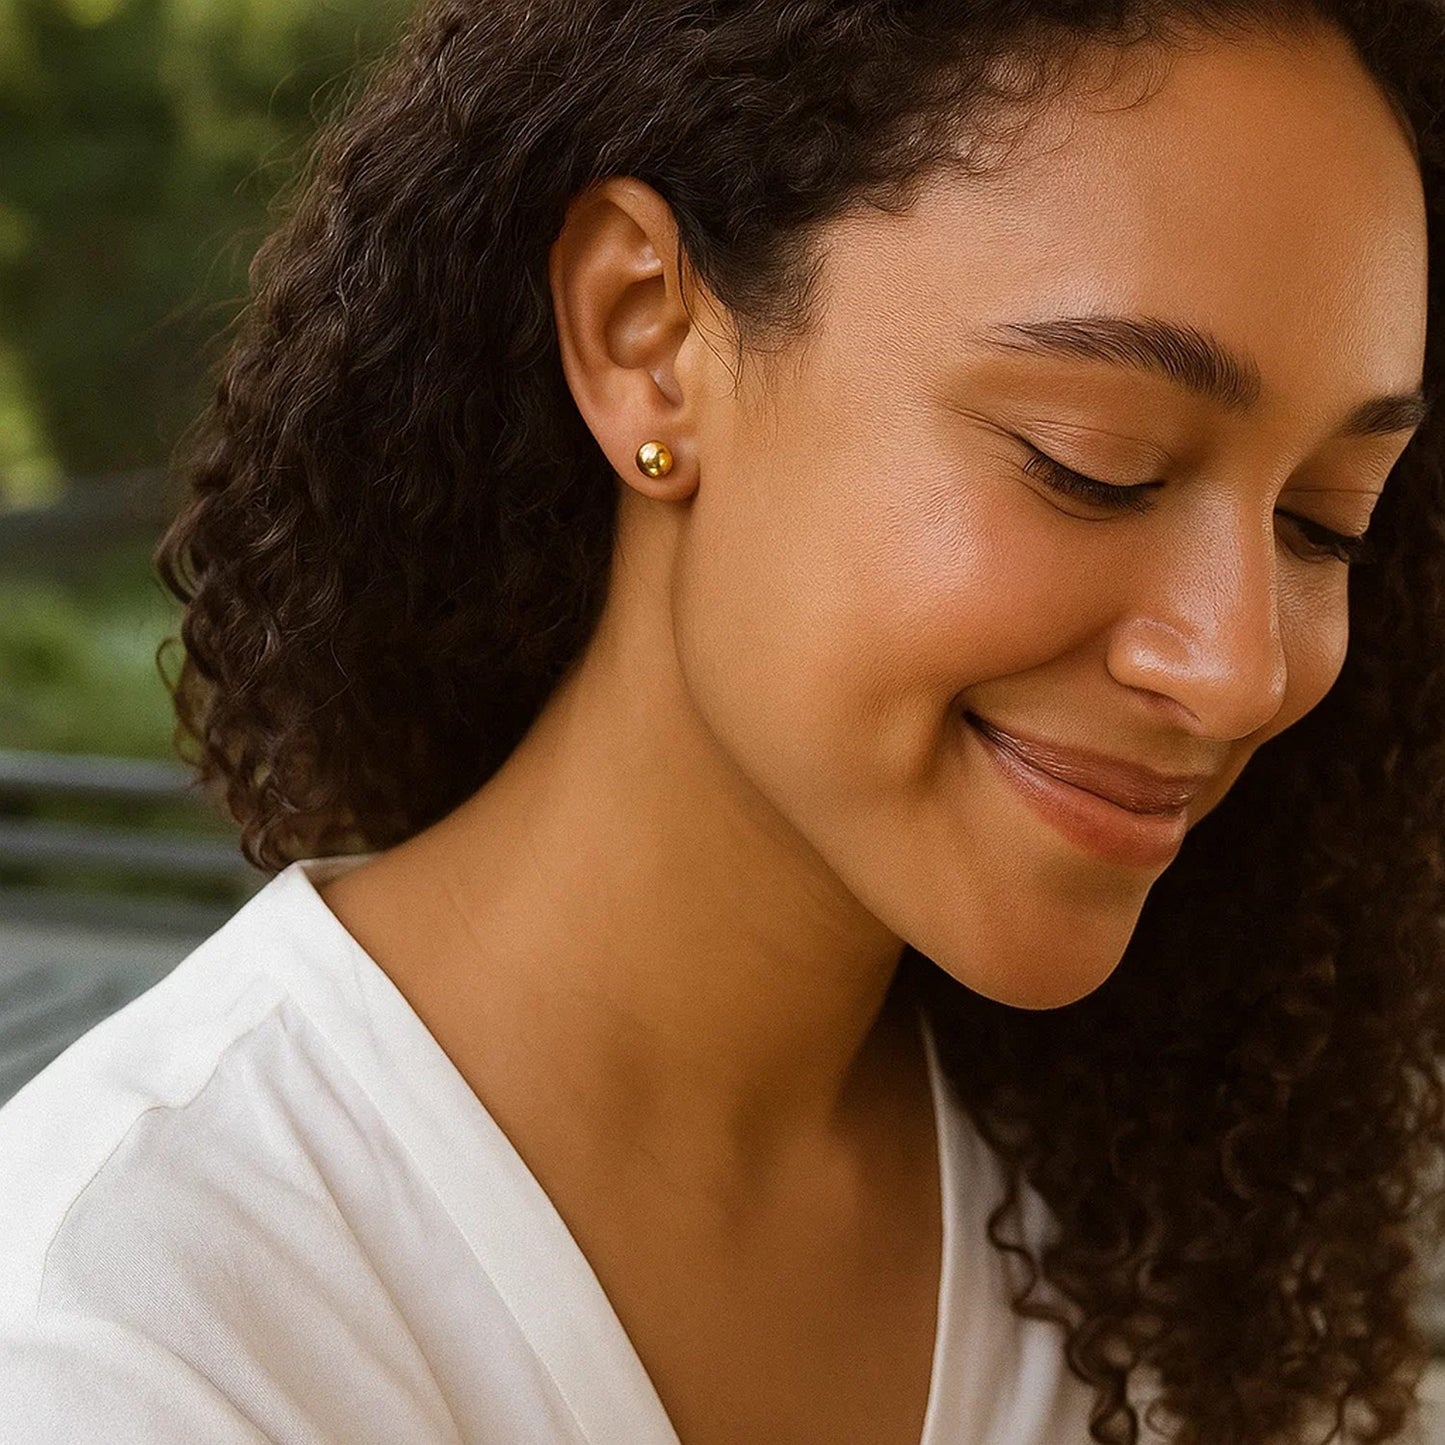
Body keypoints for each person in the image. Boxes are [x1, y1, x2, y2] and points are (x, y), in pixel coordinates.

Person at [2, 0, 1443, 1440]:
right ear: (648, 337)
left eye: (1324, 524)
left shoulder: (1187, 1229)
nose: (1237, 665)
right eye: (1096, 466)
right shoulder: (121, 1334)